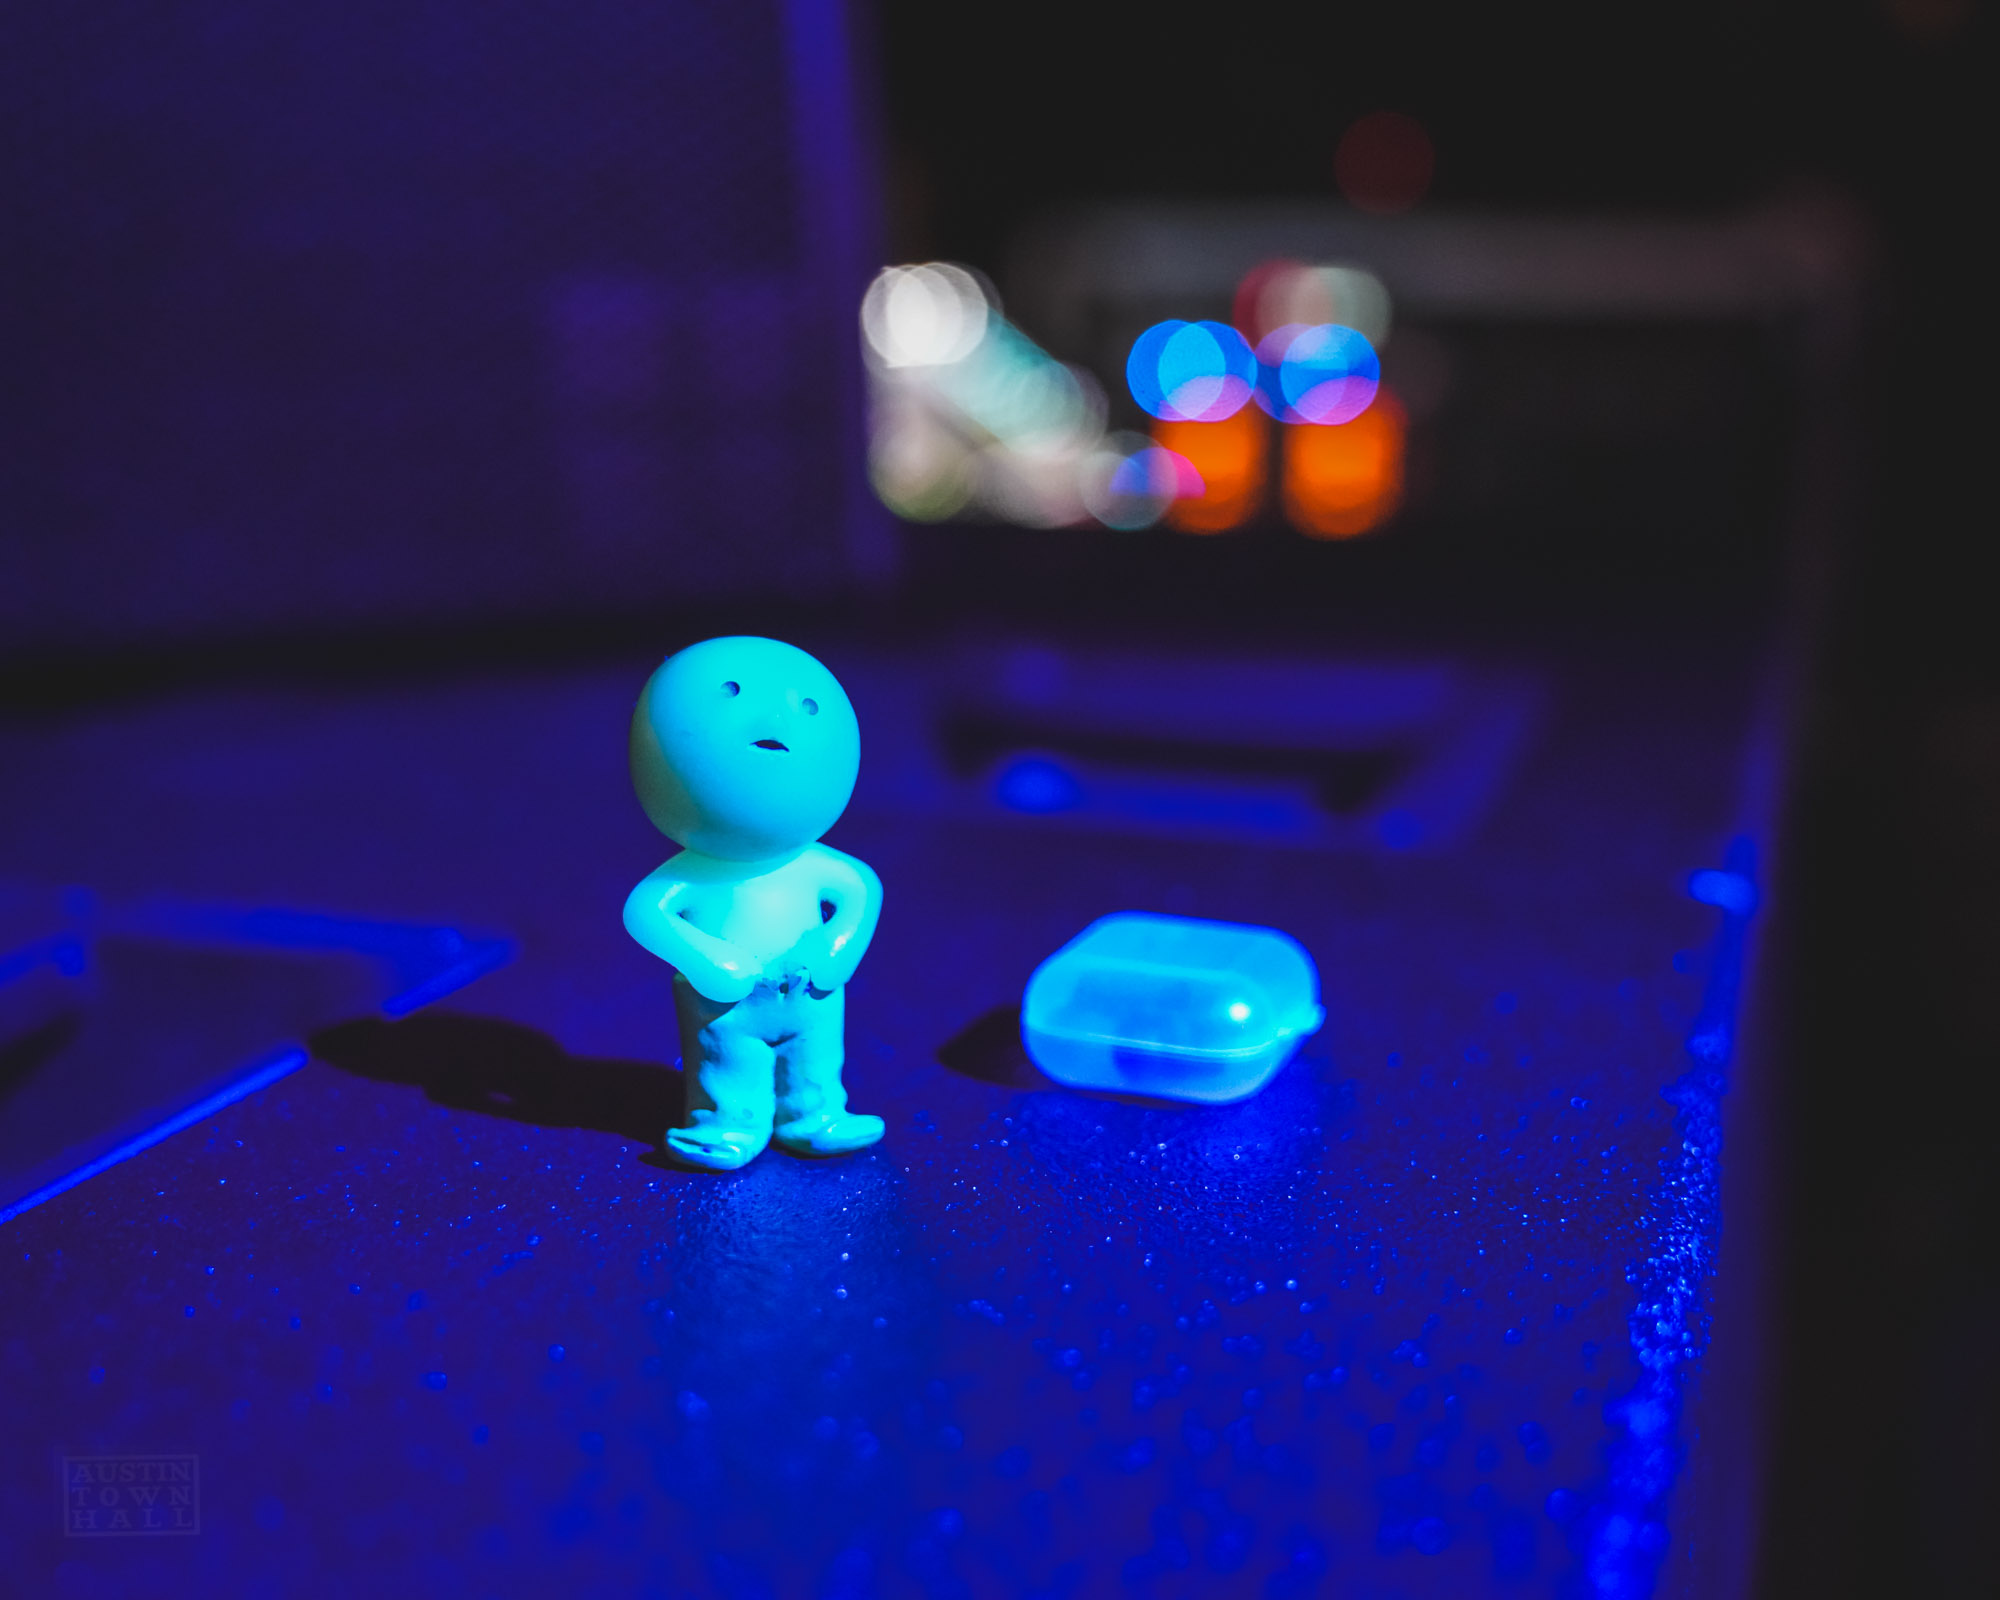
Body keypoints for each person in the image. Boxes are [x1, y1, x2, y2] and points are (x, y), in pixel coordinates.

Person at [623, 636, 884, 1171]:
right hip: (727, 1001)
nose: (774, 721)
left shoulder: (819, 865)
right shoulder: (688, 875)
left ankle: (814, 1116)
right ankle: (725, 1126)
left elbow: (861, 892)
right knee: (727, 1067)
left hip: (810, 991)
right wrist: (708, 959)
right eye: (733, 694)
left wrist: (836, 950)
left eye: (806, 708)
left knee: (814, 1061)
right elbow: (646, 912)